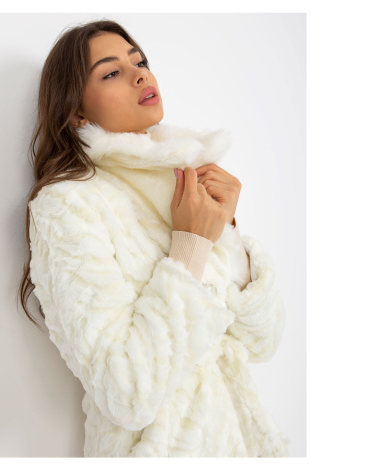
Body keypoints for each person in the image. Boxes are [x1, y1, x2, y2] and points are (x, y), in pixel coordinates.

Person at [18, 19, 290, 457]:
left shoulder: (184, 183)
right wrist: (190, 247)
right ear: (77, 112)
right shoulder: (67, 206)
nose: (140, 75)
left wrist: (229, 233)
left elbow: (263, 343)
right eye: (112, 72)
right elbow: (126, 393)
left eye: (140, 62)